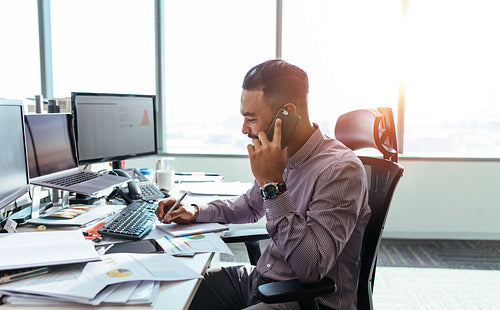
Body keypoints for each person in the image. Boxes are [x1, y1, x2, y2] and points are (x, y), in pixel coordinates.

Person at [155, 59, 371, 310]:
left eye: (251, 118)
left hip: (303, 300)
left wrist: (272, 183)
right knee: (173, 293)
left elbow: (311, 267)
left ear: (287, 114)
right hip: (262, 281)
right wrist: (195, 211)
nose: (244, 129)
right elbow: (249, 205)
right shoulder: (282, 154)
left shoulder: (341, 170)